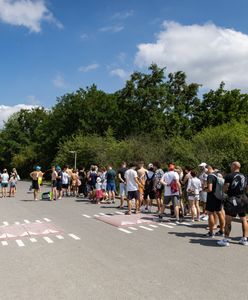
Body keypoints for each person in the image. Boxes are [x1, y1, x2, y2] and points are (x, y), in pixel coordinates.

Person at [217, 161, 248, 246]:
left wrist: (224, 191)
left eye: (231, 165)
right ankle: (244, 239)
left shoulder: (229, 175)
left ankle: (226, 240)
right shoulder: (245, 176)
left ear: (234, 166)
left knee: (228, 220)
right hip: (243, 198)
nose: (230, 167)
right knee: (243, 219)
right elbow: (247, 188)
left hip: (233, 199)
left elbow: (226, 187)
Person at [205, 165, 225, 238]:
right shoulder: (218, 175)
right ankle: (222, 231)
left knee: (210, 214)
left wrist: (204, 190)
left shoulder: (210, 176)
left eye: (205, 169)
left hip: (212, 197)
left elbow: (210, 189)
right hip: (219, 197)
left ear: (209, 169)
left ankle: (211, 233)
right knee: (219, 213)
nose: (205, 171)